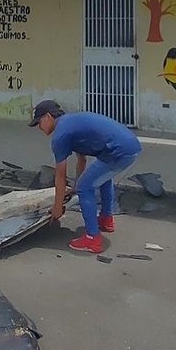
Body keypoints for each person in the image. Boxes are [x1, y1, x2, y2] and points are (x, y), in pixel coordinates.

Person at [29, 100, 141, 254]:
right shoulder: (71, 124)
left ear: (48, 117)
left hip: (118, 151)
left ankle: (92, 239)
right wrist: (74, 187)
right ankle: (106, 219)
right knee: (102, 177)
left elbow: (60, 175)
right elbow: (81, 160)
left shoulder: (60, 135)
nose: (39, 127)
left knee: (85, 187)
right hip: (131, 146)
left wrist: (57, 207)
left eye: (39, 122)